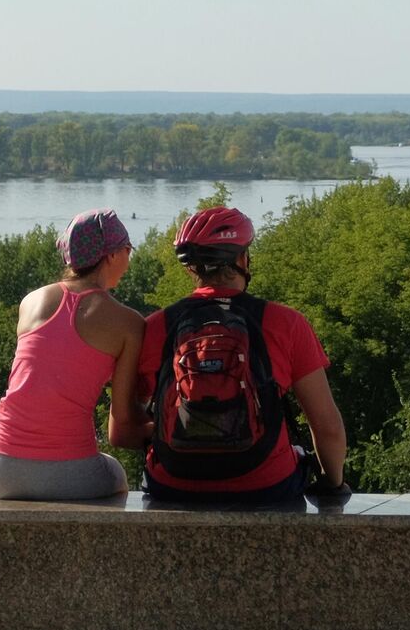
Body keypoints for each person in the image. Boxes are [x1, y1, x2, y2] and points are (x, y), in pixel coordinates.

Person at [136, 206, 349, 504]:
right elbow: (327, 426)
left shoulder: (156, 327)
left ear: (191, 268)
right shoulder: (286, 323)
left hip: (172, 484)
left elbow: (124, 428)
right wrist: (333, 485)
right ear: (241, 259)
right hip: (267, 485)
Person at [0, 208, 144, 500]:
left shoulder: (31, 301)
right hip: (69, 471)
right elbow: (121, 422)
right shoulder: (128, 324)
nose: (129, 258)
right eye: (127, 249)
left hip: (0, 469)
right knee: (116, 473)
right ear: (111, 255)